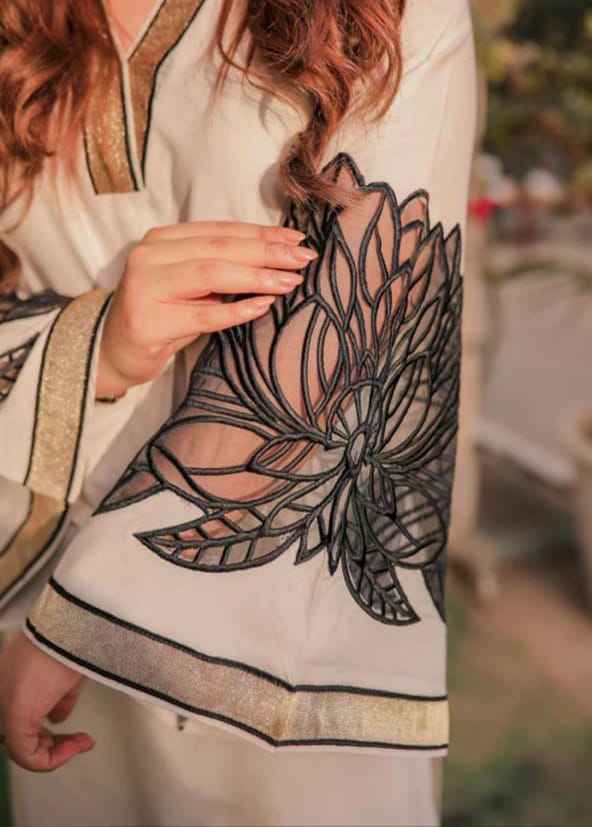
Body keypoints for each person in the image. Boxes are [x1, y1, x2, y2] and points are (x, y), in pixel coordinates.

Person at [0, 0, 476, 824]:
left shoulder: (388, 15)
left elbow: (368, 326)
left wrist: (89, 623)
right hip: (41, 592)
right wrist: (99, 345)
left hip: (272, 639)